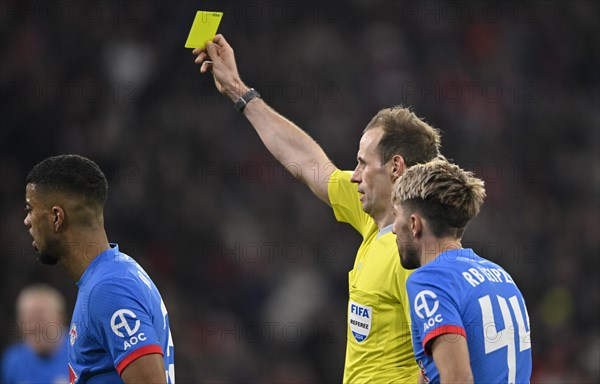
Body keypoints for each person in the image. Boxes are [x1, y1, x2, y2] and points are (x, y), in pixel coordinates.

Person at [193, 35, 442, 383]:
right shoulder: (374, 218)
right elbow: (308, 163)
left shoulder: (416, 254)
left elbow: (440, 363)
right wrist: (238, 90)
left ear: (395, 167)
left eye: (362, 163)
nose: (353, 176)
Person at [23, 154, 175, 384]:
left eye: (30, 208)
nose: (26, 221)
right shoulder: (115, 272)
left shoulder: (108, 289)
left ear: (56, 217)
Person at [391, 160, 532, 383]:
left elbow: (457, 379)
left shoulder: (431, 280)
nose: (393, 230)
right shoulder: (501, 276)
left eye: (395, 215)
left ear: (414, 223)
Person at [1, 284, 69, 384]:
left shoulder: (81, 353)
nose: (35, 326)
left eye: (41, 317)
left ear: (60, 318)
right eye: (29, 318)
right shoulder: (13, 360)